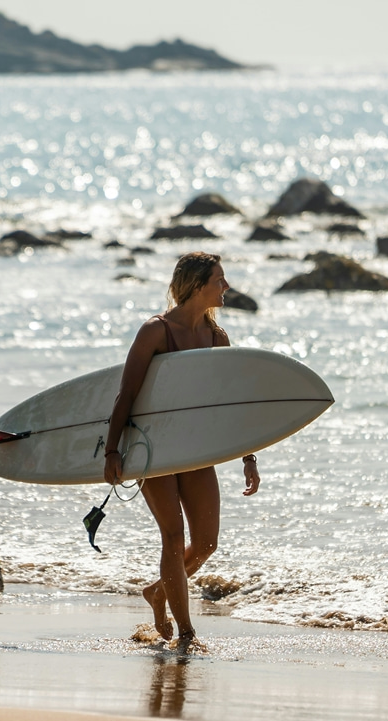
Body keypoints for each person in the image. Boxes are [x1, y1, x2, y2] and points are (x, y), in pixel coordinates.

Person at [102, 251, 261, 647]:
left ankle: (158, 591)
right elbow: (127, 393)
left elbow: (231, 405)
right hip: (152, 448)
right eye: (219, 280)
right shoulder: (155, 332)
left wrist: (249, 457)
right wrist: (112, 451)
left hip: (193, 450)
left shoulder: (217, 338)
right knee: (172, 537)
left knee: (207, 542)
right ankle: (187, 632)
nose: (226, 287)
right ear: (195, 286)